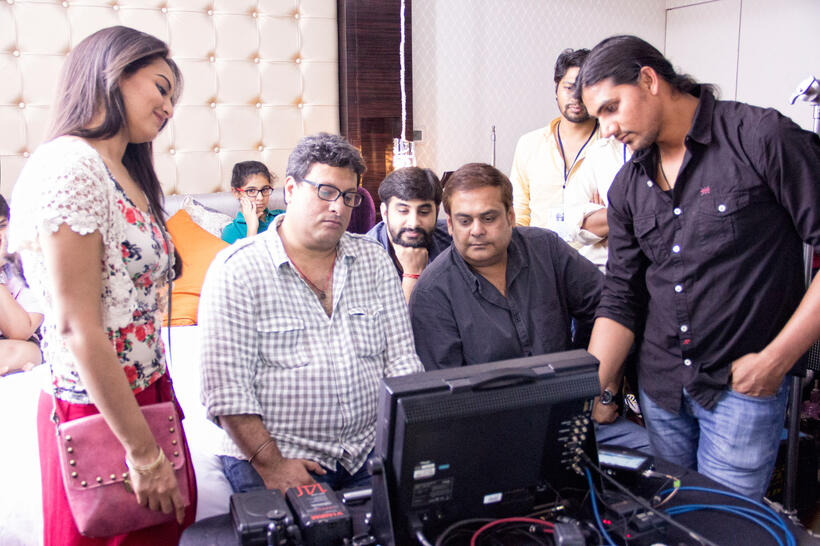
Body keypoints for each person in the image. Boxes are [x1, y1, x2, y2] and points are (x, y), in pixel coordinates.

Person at [577, 35, 820, 499]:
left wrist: (776, 361)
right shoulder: (628, 186)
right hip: (662, 391)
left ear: (649, 80)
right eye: (597, 117)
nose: (605, 129)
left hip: (742, 387)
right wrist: (591, 389)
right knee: (674, 519)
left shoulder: (761, 137)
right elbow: (621, 297)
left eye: (611, 108)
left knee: (723, 524)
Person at [8, 26, 196, 544]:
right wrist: (141, 450)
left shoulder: (122, 169)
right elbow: (73, 326)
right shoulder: (70, 165)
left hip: (144, 387)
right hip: (99, 402)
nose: (168, 108)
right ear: (115, 72)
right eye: (161, 88)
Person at [199, 133, 423, 494]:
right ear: (290, 188)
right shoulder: (236, 269)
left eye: (349, 197)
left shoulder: (374, 261)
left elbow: (402, 364)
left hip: (366, 451)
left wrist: (405, 445)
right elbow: (226, 391)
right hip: (276, 454)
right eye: (326, 191)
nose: (339, 207)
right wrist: (272, 465)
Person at [409, 163, 649, 451]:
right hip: (493, 437)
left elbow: (611, 309)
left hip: (574, 415)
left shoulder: (546, 249)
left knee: (657, 460)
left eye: (488, 217)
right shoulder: (433, 292)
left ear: (511, 216)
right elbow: (448, 402)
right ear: (449, 225)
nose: (477, 230)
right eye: (464, 220)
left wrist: (604, 389)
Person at [510, 48, 622, 240]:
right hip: (540, 259)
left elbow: (623, 214)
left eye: (585, 88)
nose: (576, 97)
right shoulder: (529, 144)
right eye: (569, 87)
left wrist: (603, 218)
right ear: (556, 89)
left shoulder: (615, 146)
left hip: (593, 261)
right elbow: (519, 214)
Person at [366, 167, 452, 301]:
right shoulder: (364, 258)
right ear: (385, 213)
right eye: (403, 211)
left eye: (424, 212)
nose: (413, 223)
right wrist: (412, 275)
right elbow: (391, 322)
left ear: (437, 211)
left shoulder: (451, 238)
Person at [563, 138, 631, 271]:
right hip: (601, 270)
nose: (605, 131)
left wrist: (605, 219)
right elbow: (571, 224)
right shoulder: (602, 151)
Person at [0, 194, 44, 375]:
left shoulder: (24, 265)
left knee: (29, 353)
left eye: (2, 226)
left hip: (12, 346)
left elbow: (20, 331)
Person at [221, 161, 284, 244]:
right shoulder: (231, 231)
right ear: (236, 193)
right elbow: (247, 256)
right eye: (251, 191)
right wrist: (252, 227)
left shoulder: (281, 217)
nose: (260, 198)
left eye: (265, 189)